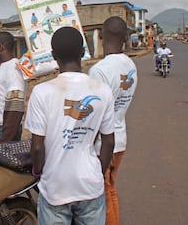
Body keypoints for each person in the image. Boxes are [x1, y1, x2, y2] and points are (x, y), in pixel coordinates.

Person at [26, 27, 115, 225]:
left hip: (56, 187)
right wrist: (97, 172)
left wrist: (39, 172)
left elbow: (38, 147)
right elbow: (108, 142)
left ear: (53, 55)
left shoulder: (42, 92)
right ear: (83, 52)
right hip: (90, 185)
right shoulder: (103, 90)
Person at [88, 16, 138, 225]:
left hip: (103, 144)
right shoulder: (130, 65)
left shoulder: (100, 70)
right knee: (110, 191)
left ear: (102, 34)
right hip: (120, 139)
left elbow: (95, 115)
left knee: (103, 197)